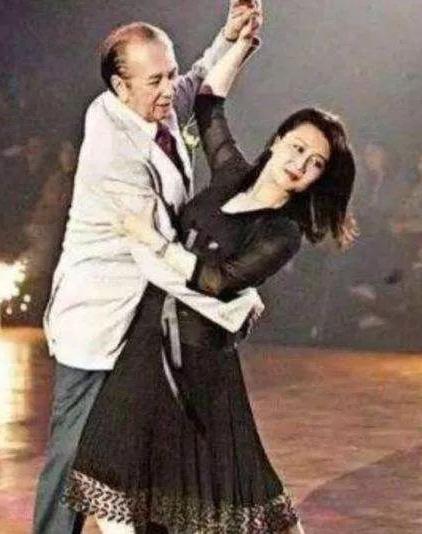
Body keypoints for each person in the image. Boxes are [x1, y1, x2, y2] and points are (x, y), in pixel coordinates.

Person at [63, 13, 356, 534]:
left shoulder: (281, 232)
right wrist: (241, 46)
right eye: (297, 147)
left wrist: (155, 241)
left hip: (202, 363)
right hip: (146, 345)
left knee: (241, 494)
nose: (300, 163)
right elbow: (207, 104)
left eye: (315, 163)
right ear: (278, 140)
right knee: (112, 485)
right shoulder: (230, 175)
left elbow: (219, 281)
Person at [33, 3, 264, 533]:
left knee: (144, 448)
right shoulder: (112, 146)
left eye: (168, 72)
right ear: (120, 86)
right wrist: (232, 300)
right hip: (100, 318)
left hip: (146, 317)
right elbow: (154, 255)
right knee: (74, 454)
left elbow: (194, 84)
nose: (168, 89)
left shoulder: (149, 106)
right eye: (155, 80)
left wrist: (230, 37)